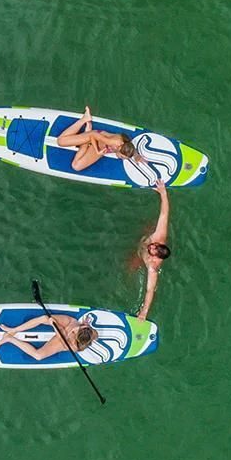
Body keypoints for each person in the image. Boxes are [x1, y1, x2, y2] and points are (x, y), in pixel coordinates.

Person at [56, 106, 139, 173]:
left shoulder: (127, 146)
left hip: (101, 147)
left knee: (76, 166)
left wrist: (137, 156)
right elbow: (93, 135)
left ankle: (85, 142)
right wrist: (97, 151)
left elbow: (132, 150)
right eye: (121, 156)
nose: (121, 158)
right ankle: (85, 119)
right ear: (119, 148)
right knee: (60, 141)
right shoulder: (113, 142)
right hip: (93, 136)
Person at [0, 311, 99, 362]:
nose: (74, 330)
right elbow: (96, 334)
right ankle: (13, 330)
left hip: (62, 341)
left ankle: (10, 339)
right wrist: (50, 321)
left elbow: (61, 337)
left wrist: (55, 325)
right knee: (44, 318)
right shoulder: (85, 329)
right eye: (78, 328)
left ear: (77, 338)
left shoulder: (76, 347)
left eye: (74, 333)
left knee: (38, 356)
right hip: (67, 324)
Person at [135, 181, 171, 320]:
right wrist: (163, 193)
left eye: (153, 250)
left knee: (130, 267)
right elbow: (164, 214)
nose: (152, 247)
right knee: (148, 226)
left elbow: (150, 290)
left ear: (155, 258)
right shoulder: (159, 237)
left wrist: (144, 312)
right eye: (155, 246)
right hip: (143, 237)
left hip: (139, 254)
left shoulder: (152, 266)